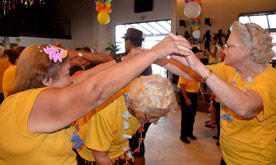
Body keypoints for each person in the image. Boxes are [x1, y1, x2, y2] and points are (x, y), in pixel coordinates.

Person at [0, 34, 189, 164]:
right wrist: (153, 54)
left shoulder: (23, 99)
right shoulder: (39, 103)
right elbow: (94, 91)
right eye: (67, 74)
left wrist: (124, 60)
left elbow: (83, 78)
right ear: (45, 80)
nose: (71, 78)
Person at [170, 21, 276, 164]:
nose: (224, 50)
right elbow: (191, 73)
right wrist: (156, 57)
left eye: (229, 46)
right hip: (227, 158)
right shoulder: (232, 69)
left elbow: (246, 108)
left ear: (247, 49)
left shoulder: (270, 79)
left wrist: (199, 66)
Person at [75, 74, 176, 165]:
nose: (154, 122)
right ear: (137, 105)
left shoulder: (137, 104)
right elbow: (101, 158)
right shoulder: (105, 114)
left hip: (119, 148)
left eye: (158, 118)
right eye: (151, 116)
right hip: (94, 157)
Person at [116, 28, 152, 165]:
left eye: (125, 40)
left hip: (141, 109)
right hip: (140, 108)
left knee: (137, 145)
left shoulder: (134, 58)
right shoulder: (142, 56)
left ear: (129, 41)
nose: (125, 43)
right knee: (134, 143)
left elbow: (107, 59)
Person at [178, 47, 201, 144]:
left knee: (192, 115)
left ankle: (190, 133)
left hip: (194, 94)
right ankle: (183, 136)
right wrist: (186, 98)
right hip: (186, 94)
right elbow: (182, 86)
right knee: (186, 116)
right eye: (198, 55)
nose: (200, 57)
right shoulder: (186, 68)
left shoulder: (197, 68)